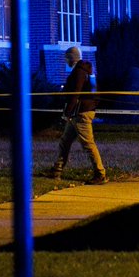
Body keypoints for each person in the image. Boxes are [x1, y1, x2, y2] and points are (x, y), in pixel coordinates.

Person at [45, 46, 107, 184]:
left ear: (71, 58)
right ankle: (57, 170)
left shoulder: (79, 72)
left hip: (80, 114)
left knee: (88, 144)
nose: (66, 61)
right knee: (65, 142)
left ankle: (100, 174)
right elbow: (95, 92)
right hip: (80, 112)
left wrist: (67, 112)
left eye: (67, 58)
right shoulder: (88, 71)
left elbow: (75, 94)